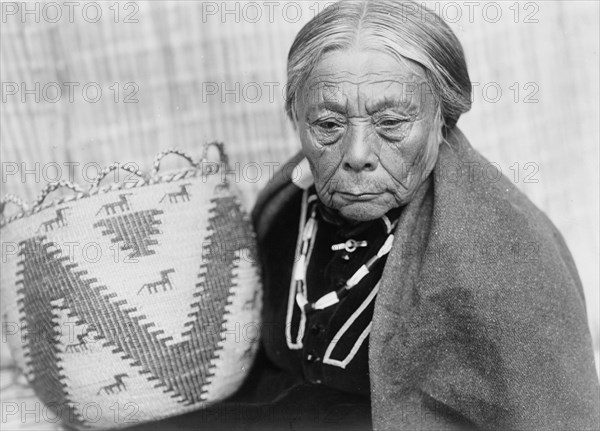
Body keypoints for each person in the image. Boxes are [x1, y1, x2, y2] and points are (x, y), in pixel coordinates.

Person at [131, 1, 599, 430]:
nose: (357, 154)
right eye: (328, 125)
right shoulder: (282, 209)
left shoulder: (505, 256)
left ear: (444, 117)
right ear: (296, 117)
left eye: (392, 123)